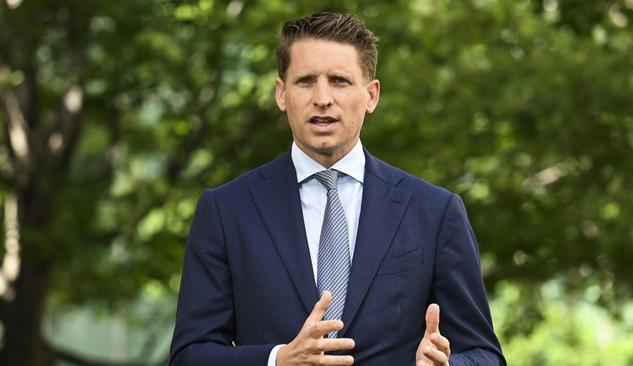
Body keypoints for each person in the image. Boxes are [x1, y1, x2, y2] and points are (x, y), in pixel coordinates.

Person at [170, 11, 506, 366]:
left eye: (339, 81)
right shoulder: (226, 211)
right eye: (305, 81)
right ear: (282, 94)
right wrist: (278, 359)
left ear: (371, 95)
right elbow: (190, 354)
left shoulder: (435, 212)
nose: (322, 97)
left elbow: (485, 355)